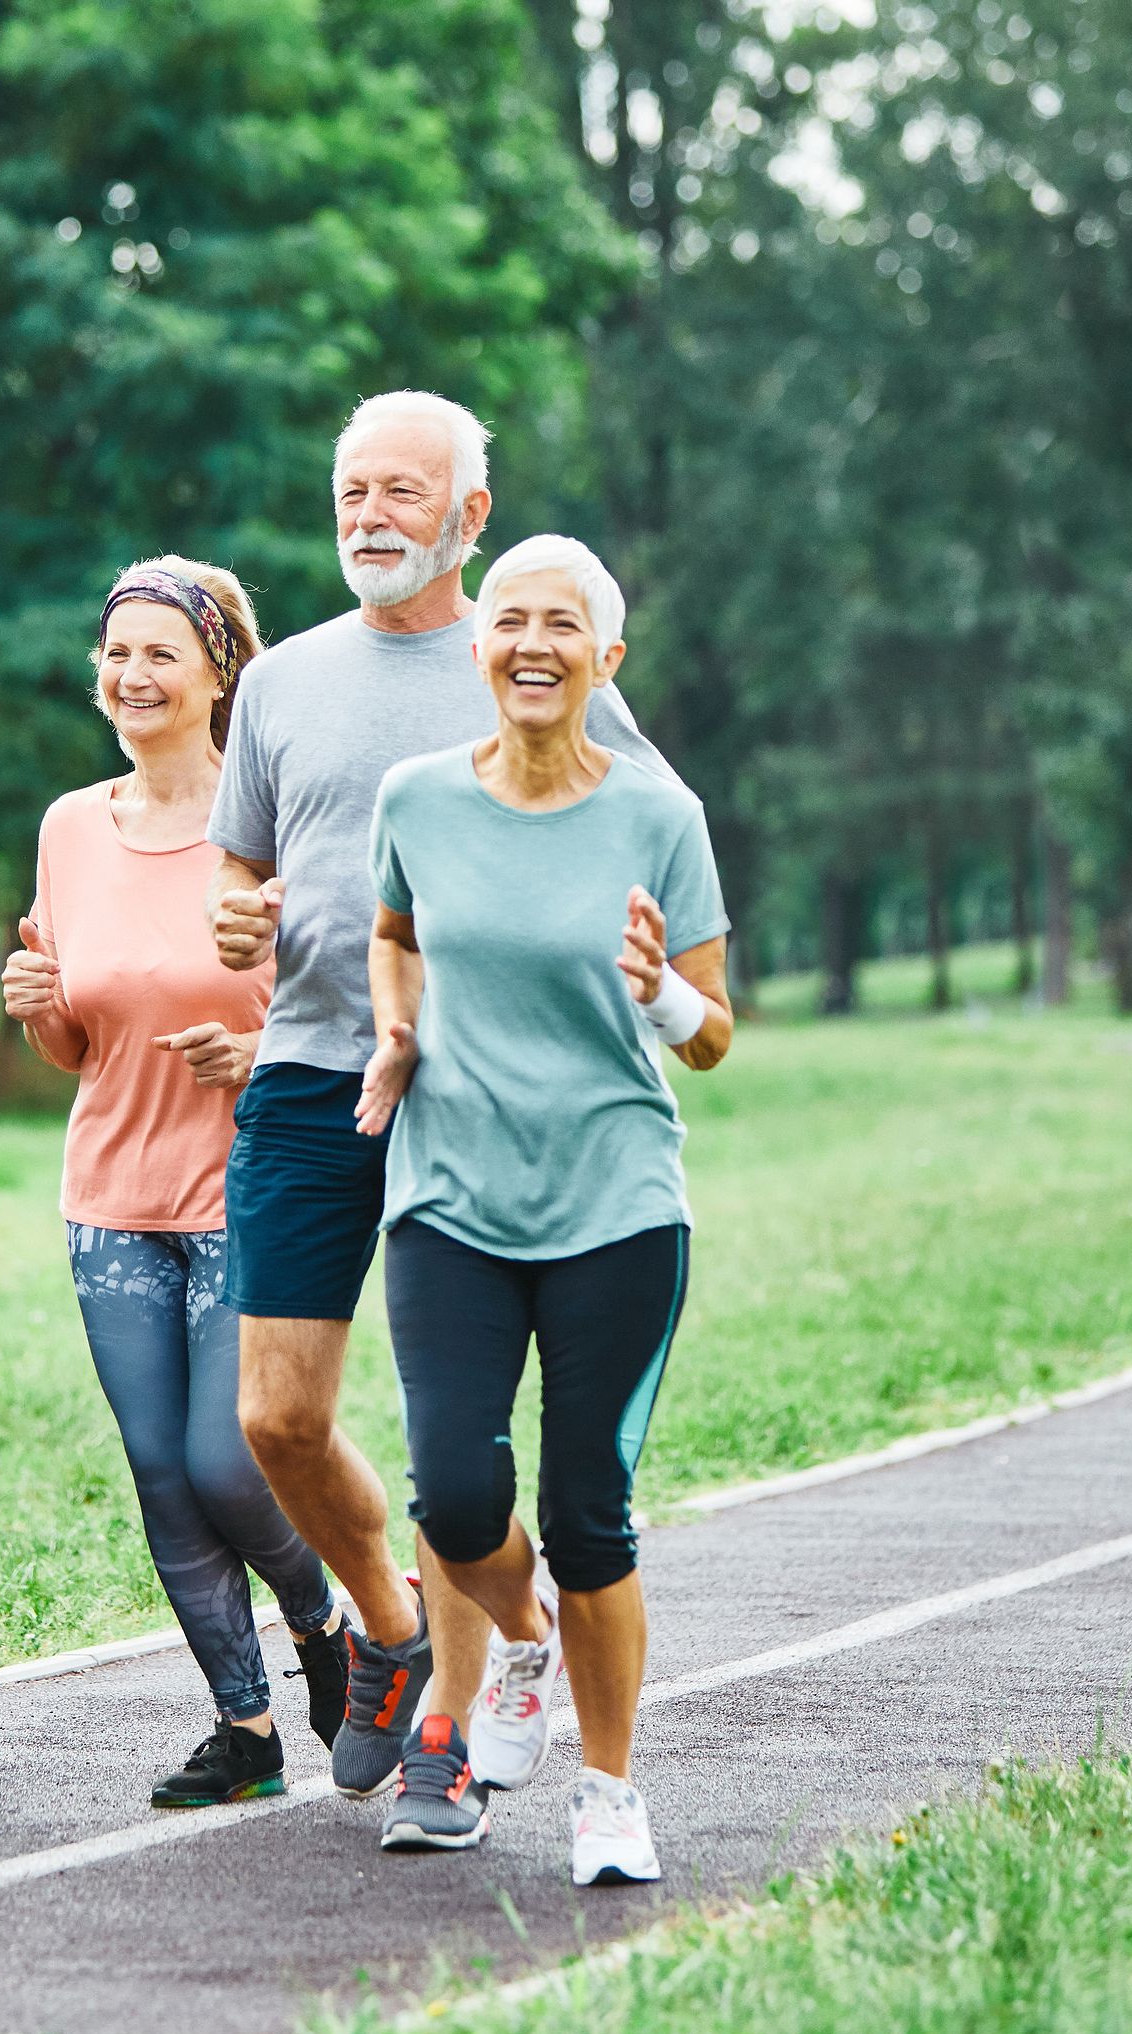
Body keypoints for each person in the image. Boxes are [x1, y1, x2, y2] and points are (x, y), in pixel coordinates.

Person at [207, 393, 691, 1805]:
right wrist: (238, 925)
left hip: (476, 1092)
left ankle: (450, 1745)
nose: (369, 515)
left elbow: (646, 834)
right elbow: (239, 868)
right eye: (351, 489)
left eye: (403, 494)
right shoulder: (285, 681)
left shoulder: (527, 660)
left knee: (450, 1442)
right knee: (276, 1417)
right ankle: (402, 1628)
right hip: (306, 1071)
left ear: (468, 518)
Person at [352, 532, 732, 1884]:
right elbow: (392, 934)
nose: (531, 644)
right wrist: (395, 1031)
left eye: (562, 625)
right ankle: (524, 1642)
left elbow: (715, 1033)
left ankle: (611, 1789)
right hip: (450, 1191)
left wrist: (659, 994)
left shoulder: (656, 818)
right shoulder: (415, 798)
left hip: (615, 1202)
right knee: (458, 1493)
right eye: (509, 620)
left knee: (589, 1514)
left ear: (603, 659)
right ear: (478, 647)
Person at [4, 558, 348, 1808]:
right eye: (115, 654)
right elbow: (76, 1045)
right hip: (109, 1197)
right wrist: (39, 1011)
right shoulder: (67, 828)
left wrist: (258, 1053)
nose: (132, 675)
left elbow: (344, 1009)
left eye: (160, 653)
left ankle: (325, 1629)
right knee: (160, 1470)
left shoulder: (272, 830)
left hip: (247, 1191)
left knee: (228, 1461)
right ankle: (244, 1729)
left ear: (220, 674)